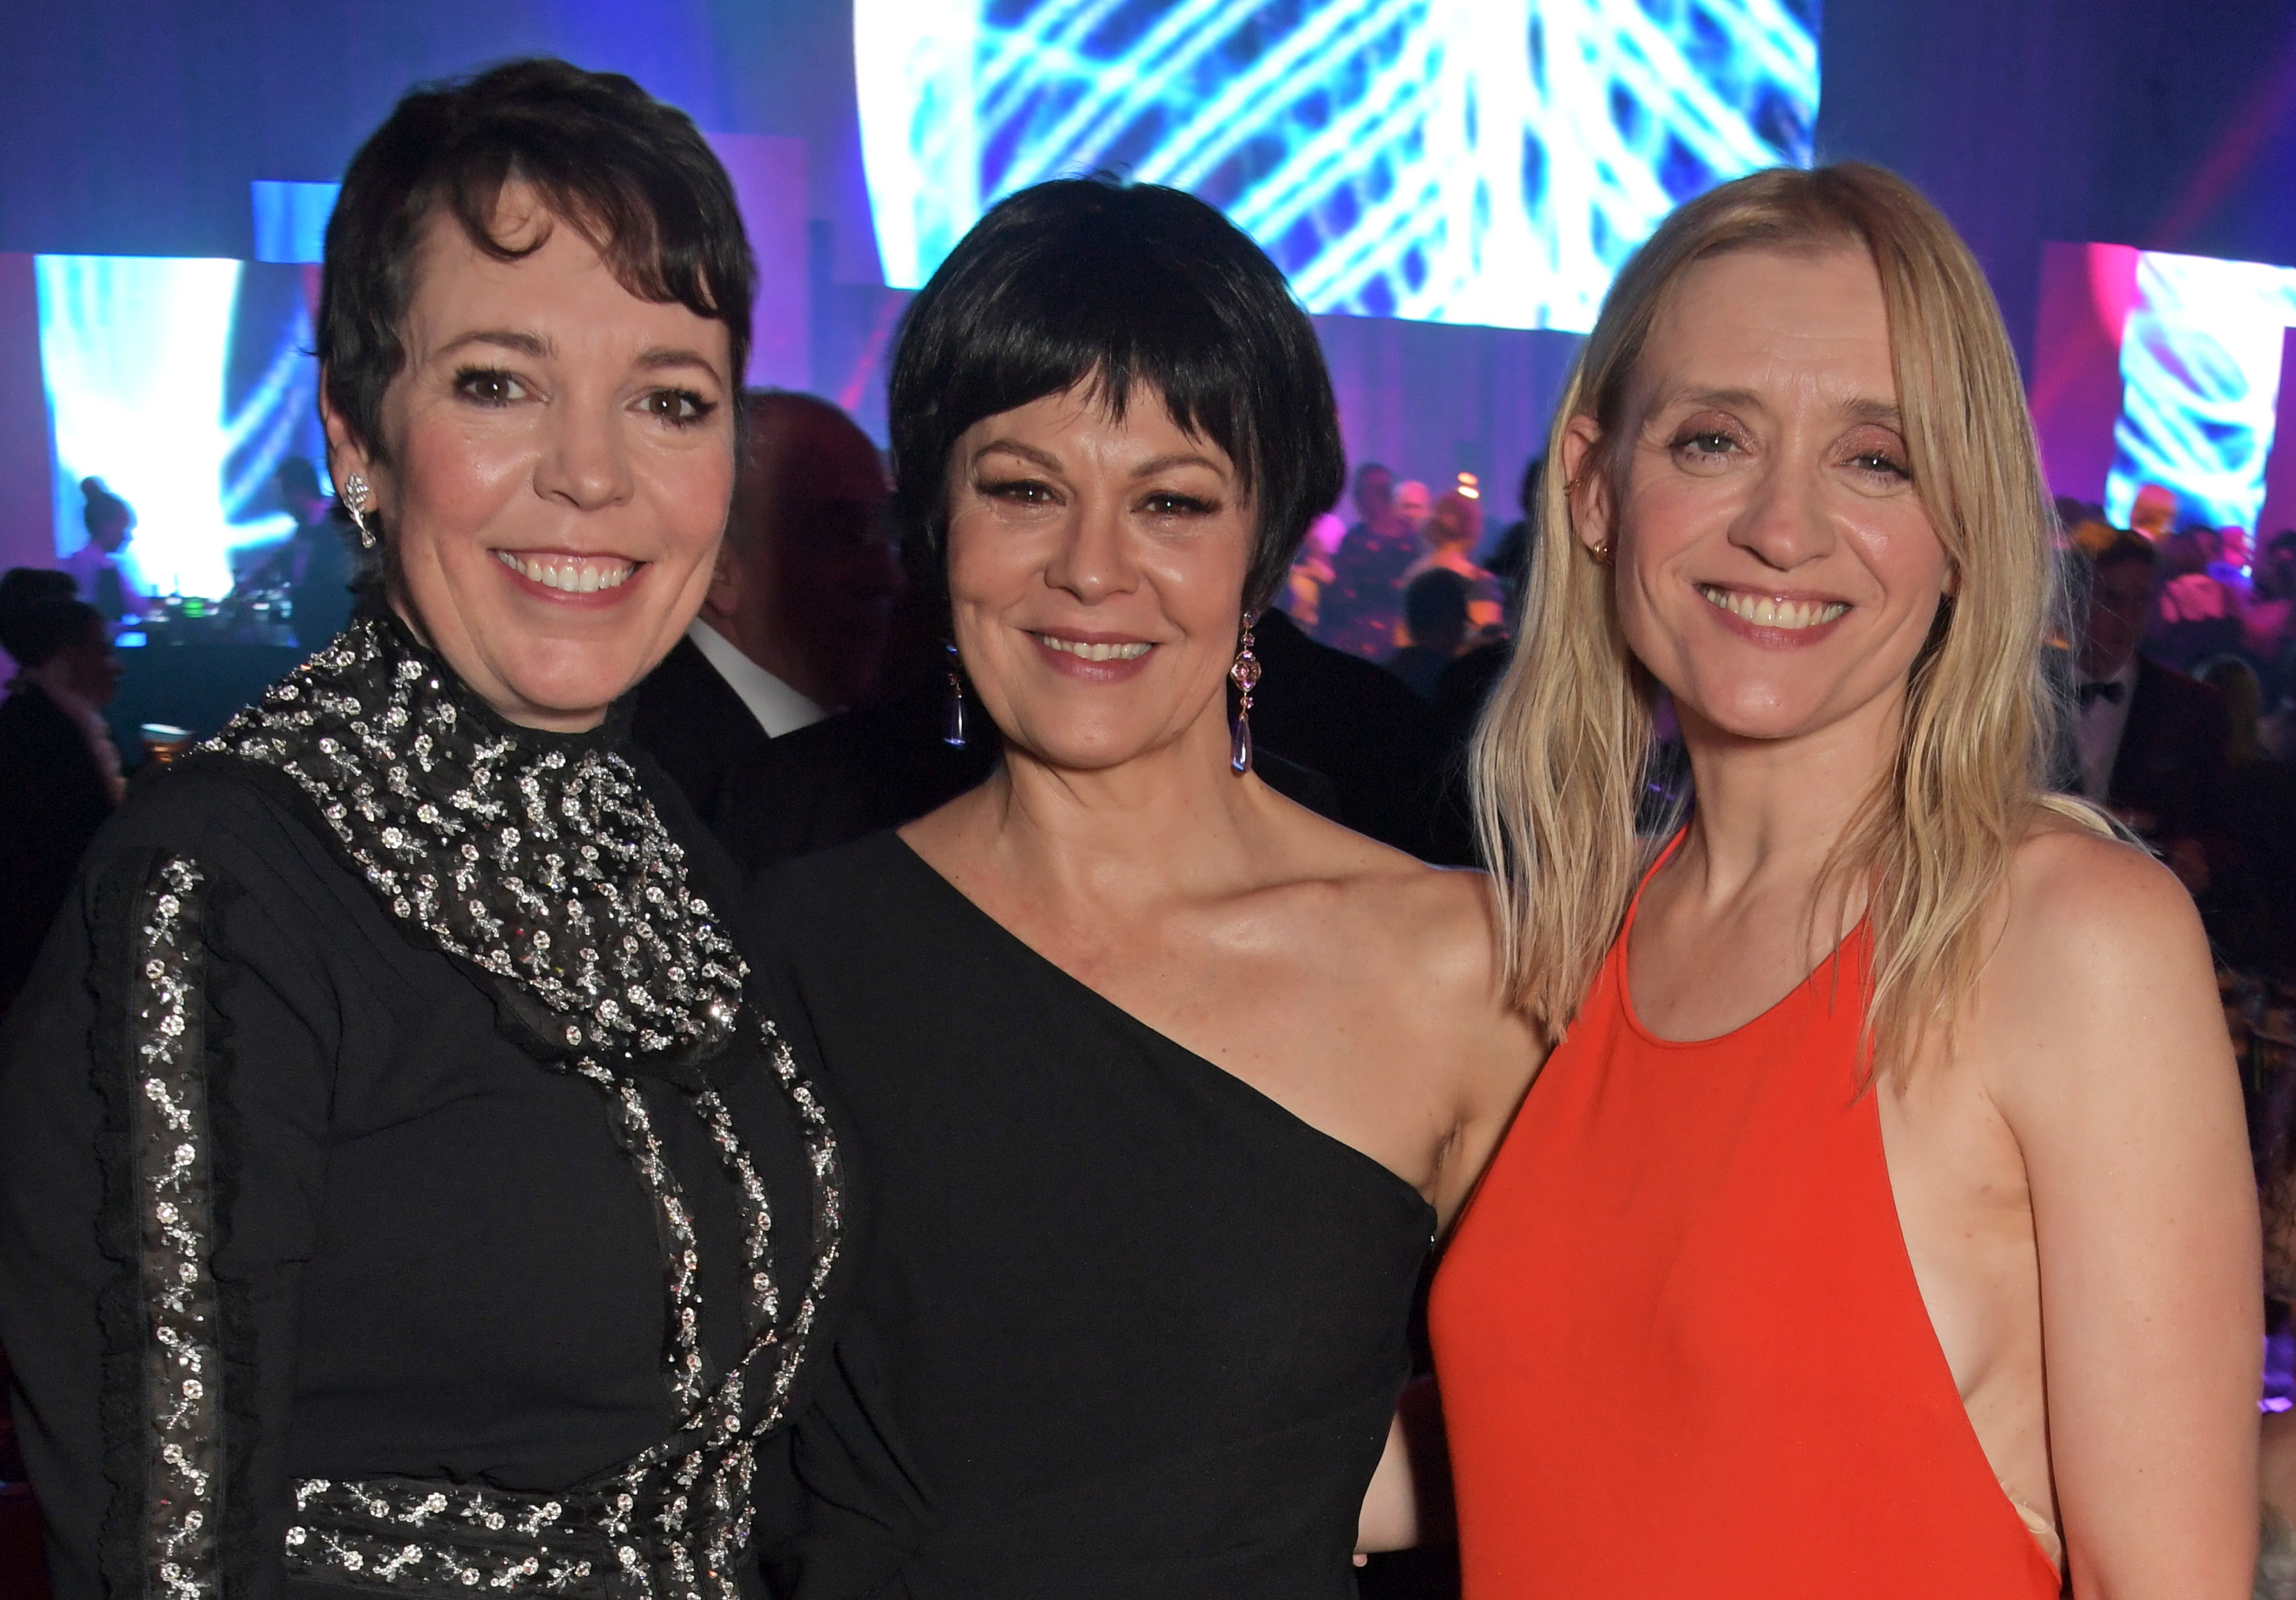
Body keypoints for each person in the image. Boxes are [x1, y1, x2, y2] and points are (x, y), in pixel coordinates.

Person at [0, 59, 847, 1600]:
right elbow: (168, 1562)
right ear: (356, 440)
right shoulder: (215, 888)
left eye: (669, 397)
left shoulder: (671, 847)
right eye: (498, 383)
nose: (592, 474)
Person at [1425, 163, 2259, 1596]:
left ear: (1959, 529)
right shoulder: (1579, 934)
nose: (1782, 528)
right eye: (1708, 441)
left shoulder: (2068, 939)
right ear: (1591, 487)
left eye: (1875, 458)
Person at [748, 175, 1539, 1597]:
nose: (1091, 567)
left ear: (1262, 552)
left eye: (1171, 502)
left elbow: (1600, 1418)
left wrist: (1268, 1495)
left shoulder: (1459, 966)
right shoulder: (791, 947)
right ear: (937, 522)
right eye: (1023, 488)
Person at [632, 390, 902, 816]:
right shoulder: (664, 784)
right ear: (720, 568)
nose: (885, 578)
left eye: (882, 532)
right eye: (839, 533)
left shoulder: (872, 752)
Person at [2075, 531, 2228, 896]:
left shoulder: (2191, 706)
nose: (2126, 618)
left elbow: (2222, 828)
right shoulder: (2025, 689)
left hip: (2138, 902)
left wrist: (2196, 855)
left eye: (2140, 602)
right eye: (2112, 599)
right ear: (2076, 598)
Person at [0, 585, 120, 1016]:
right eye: (102, 650)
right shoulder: (40, 737)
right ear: (68, 657)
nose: (115, 665)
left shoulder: (43, 718)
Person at [231, 456, 359, 645]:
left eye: (282, 492)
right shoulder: (304, 531)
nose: (281, 502)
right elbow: (279, 563)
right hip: (309, 635)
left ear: (297, 491)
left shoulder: (336, 524)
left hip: (332, 633)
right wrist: (248, 586)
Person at [1320, 462, 1419, 659]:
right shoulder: (1355, 540)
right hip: (1365, 648)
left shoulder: (1412, 542)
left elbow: (1340, 600)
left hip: (1388, 649)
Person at [60, 478, 140, 623]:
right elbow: (137, 607)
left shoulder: (75, 563)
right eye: (124, 529)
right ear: (105, 525)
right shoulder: (103, 568)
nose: (128, 537)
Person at [1386, 568, 1469, 700]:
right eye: (1463, 621)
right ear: (1452, 624)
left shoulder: (1388, 670)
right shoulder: (1454, 685)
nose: (1465, 630)